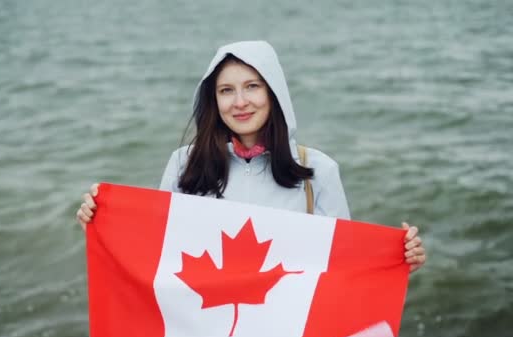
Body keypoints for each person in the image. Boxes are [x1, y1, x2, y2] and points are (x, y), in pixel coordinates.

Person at [76, 40, 426, 272]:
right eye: (226, 90)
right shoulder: (184, 164)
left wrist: (397, 258)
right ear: (213, 101)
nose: (240, 102)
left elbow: (344, 265)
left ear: (274, 94)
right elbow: (154, 252)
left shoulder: (318, 170)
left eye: (253, 86)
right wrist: (101, 223)